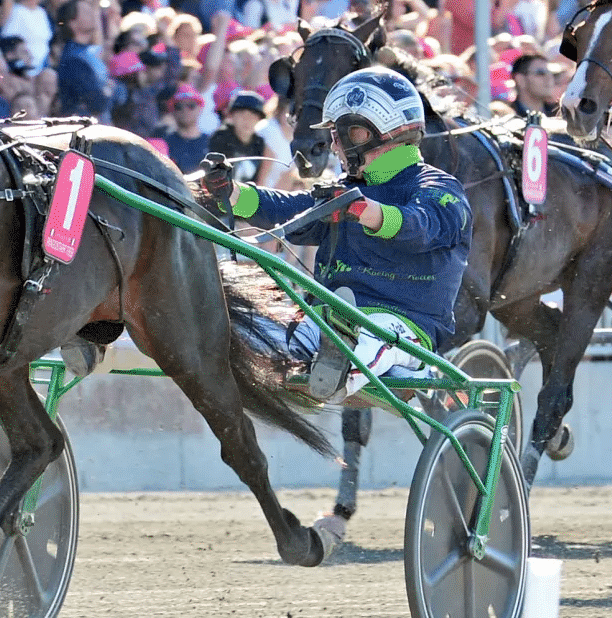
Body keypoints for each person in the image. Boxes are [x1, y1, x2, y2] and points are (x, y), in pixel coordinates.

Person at [200, 66, 471, 400]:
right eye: (334, 135)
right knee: (236, 326)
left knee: (372, 341)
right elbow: (290, 208)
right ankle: (328, 354)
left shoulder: (437, 185)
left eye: (344, 134)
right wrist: (229, 193)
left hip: (404, 327)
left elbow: (422, 224)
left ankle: (347, 359)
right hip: (329, 320)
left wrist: (363, 211)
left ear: (379, 132)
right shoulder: (344, 190)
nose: (334, 145)